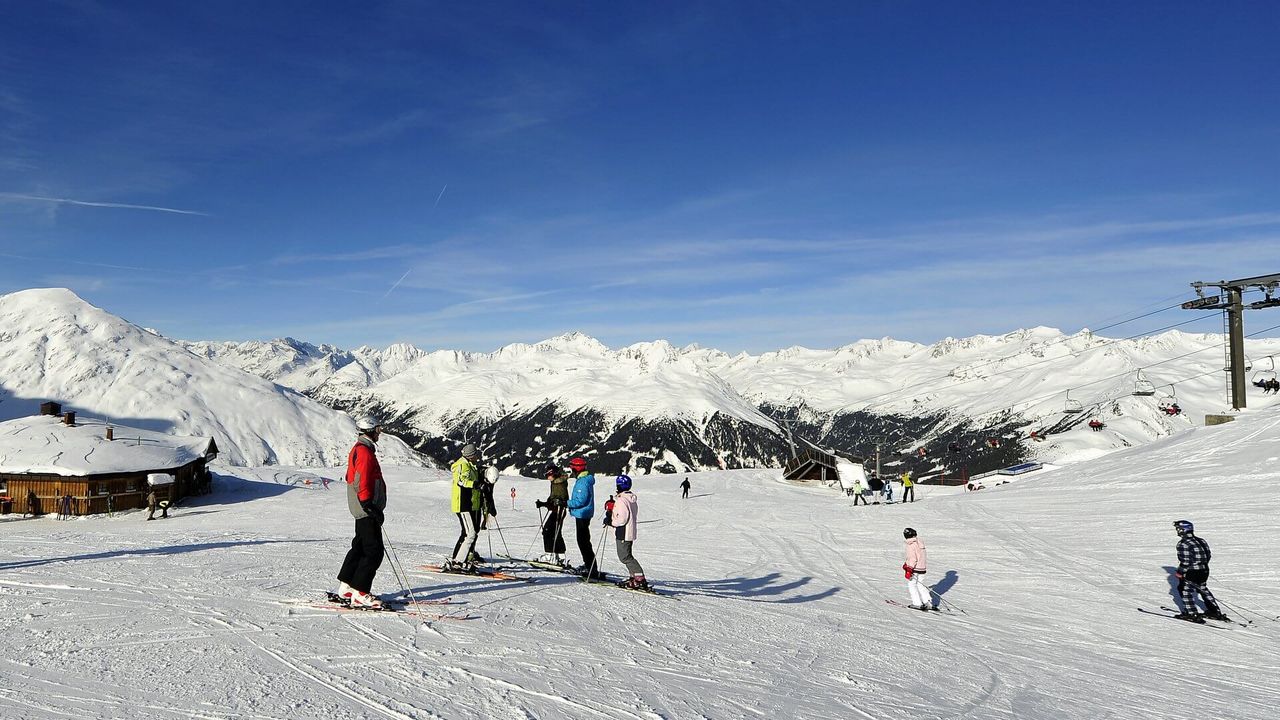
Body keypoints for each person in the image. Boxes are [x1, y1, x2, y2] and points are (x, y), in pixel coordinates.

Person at [336, 415, 387, 609]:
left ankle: (348, 586)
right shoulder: (364, 452)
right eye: (378, 430)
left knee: (360, 546)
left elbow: (352, 476)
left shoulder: (360, 449)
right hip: (365, 508)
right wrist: (368, 504)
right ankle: (361, 593)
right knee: (373, 551)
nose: (379, 433)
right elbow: (361, 479)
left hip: (362, 507)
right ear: (371, 430)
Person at [1172, 520, 1228, 623]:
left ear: (1184, 530)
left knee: (1185, 589)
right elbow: (1208, 555)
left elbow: (1185, 561)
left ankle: (1191, 613)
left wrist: (1180, 572)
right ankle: (1214, 611)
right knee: (1202, 588)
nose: (1177, 531)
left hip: (1192, 571)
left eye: (1179, 529)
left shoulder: (1183, 543)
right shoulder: (1201, 540)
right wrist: (1202, 565)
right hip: (1205, 570)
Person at [446, 443, 483, 573]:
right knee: (470, 533)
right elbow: (461, 481)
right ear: (470, 455)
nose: (477, 456)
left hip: (468, 504)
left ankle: (461, 559)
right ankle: (457, 562)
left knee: (467, 533)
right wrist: (475, 484)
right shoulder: (462, 465)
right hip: (462, 504)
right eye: (475, 454)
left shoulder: (469, 465)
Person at [566, 456, 603, 579]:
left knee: (583, 541)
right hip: (584, 513)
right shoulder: (584, 480)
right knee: (584, 541)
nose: (571, 471)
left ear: (576, 469)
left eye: (572, 469)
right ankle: (589, 565)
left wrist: (566, 503)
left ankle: (591, 568)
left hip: (582, 514)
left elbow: (580, 501)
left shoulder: (582, 482)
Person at [609, 475, 648, 590]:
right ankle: (634, 577)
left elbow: (621, 519)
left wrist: (611, 521)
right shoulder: (630, 499)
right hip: (629, 531)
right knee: (627, 555)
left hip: (623, 531)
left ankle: (639, 577)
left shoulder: (621, 500)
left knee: (624, 557)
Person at [535, 464, 569, 566]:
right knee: (554, 532)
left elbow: (560, 499)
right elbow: (553, 499)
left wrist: (550, 504)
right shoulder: (555, 482)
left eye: (548, 474)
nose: (547, 477)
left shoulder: (559, 483)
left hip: (559, 510)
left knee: (548, 531)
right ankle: (560, 555)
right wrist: (544, 504)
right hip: (557, 510)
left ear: (553, 473)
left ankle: (550, 555)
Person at [902, 527, 933, 610]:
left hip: (915, 568)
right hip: (922, 568)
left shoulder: (911, 545)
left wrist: (909, 569)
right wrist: (906, 564)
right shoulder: (920, 543)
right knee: (920, 585)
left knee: (912, 585)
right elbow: (920, 556)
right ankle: (928, 602)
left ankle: (917, 603)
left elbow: (912, 558)